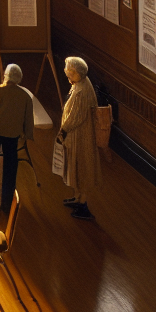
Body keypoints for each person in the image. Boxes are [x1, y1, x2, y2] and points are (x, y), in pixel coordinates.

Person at [0, 63, 35, 218]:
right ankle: (7, 201)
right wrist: (27, 134)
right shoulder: (25, 96)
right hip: (12, 135)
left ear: (6, 76)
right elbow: (28, 118)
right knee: (11, 165)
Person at [58, 55, 102, 221]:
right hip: (77, 134)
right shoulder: (81, 83)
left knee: (82, 168)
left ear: (76, 73)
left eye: (69, 73)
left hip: (80, 136)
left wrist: (63, 130)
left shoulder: (82, 91)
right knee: (75, 167)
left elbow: (75, 117)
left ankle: (83, 204)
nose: (67, 75)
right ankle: (77, 197)